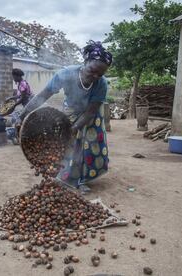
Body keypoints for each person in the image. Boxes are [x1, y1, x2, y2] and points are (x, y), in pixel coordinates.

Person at [18, 40, 112, 193]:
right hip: (70, 110)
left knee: (88, 144)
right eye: (93, 70)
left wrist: (74, 128)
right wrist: (23, 114)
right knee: (68, 144)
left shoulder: (101, 83)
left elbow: (90, 112)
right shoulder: (66, 74)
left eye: (100, 74)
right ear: (86, 61)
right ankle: (67, 175)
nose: (96, 76)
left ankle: (83, 179)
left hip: (91, 114)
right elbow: (43, 95)